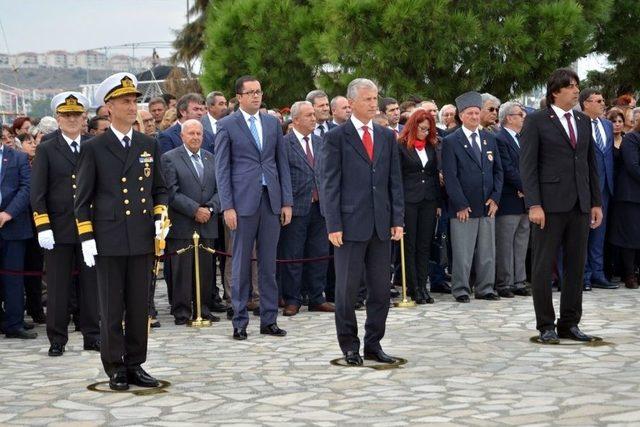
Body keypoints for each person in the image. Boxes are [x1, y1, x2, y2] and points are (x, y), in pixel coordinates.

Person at [74, 72, 168, 390]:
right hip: (110, 239)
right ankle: (115, 366)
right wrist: (86, 237)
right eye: (125, 101)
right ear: (109, 107)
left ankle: (136, 363)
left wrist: (159, 218)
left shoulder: (148, 144)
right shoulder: (94, 148)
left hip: (141, 237)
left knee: (139, 305)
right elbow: (82, 199)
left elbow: (160, 189)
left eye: (134, 100)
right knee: (112, 306)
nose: (132, 106)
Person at [320, 78, 404, 366]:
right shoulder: (335, 137)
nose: (374, 104)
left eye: (375, 98)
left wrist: (397, 219)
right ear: (351, 102)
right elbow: (329, 184)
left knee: (381, 290)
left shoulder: (385, 136)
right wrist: (333, 224)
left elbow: (394, 181)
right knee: (346, 290)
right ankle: (349, 346)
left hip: (381, 225)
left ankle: (373, 344)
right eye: (368, 99)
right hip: (349, 225)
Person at [520, 68, 603, 344]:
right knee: (543, 267)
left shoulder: (582, 120)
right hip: (549, 206)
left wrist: (595, 202)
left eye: (577, 85)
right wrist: (534, 204)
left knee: (576, 266)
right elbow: (528, 166)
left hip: (580, 203)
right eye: (570, 86)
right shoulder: (536, 121)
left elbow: (590, 164)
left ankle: (569, 323)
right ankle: (545, 325)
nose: (576, 90)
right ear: (555, 91)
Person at [215, 75, 293, 341]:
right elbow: (222, 169)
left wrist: (286, 201)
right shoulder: (227, 125)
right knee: (240, 263)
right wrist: (227, 206)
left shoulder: (272, 123)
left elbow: (282, 164)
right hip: (242, 202)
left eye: (259, 91)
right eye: (250, 92)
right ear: (239, 97)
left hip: (270, 199)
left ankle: (269, 319)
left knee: (269, 263)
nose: (256, 96)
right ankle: (239, 321)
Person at [31, 92, 100, 357]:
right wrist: (42, 225)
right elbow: (37, 192)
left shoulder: (94, 145)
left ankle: (92, 334)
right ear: (58, 119)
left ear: (84, 117)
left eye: (76, 114)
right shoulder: (47, 148)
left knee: (91, 285)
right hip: (58, 229)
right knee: (58, 288)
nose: (72, 119)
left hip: (89, 228)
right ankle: (57, 338)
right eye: (66, 115)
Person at [441, 91, 503, 303]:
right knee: (463, 252)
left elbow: (498, 171)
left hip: (487, 204)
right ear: (461, 115)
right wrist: (459, 203)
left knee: (487, 251)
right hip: (463, 206)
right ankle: (461, 289)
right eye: (470, 113)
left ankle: (486, 288)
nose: (475, 117)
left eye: (477, 113)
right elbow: (450, 176)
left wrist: (495, 198)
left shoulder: (490, 138)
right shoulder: (451, 141)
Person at [162, 119, 220, 324]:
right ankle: (182, 311)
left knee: (206, 271)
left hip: (208, 222)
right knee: (182, 271)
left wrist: (211, 208)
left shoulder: (211, 157)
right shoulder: (170, 158)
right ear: (182, 136)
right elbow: (171, 192)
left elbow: (220, 189)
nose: (195, 137)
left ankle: (203, 309)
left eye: (199, 134)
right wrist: (194, 209)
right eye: (191, 134)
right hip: (183, 223)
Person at [278, 101, 333, 316]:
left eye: (314, 114)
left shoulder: (321, 142)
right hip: (297, 207)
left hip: (320, 207)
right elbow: (282, 176)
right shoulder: (284, 143)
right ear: (296, 119)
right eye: (308, 115)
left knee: (319, 253)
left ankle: (317, 297)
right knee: (293, 254)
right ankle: (293, 298)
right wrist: (286, 203)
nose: (314, 118)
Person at [397, 108, 440, 304]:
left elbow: (433, 174)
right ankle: (413, 288)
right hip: (409, 200)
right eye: (422, 129)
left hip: (428, 200)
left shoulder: (431, 146)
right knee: (410, 245)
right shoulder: (401, 146)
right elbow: (397, 176)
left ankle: (423, 286)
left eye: (428, 129)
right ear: (414, 127)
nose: (425, 132)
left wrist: (438, 202)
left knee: (424, 245)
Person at [579, 89, 617, 290]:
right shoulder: (578, 124)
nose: (603, 104)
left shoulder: (607, 125)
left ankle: (598, 273)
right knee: (583, 234)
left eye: (603, 100)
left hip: (606, 187)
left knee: (599, 234)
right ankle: (583, 276)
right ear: (586, 103)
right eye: (599, 100)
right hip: (585, 187)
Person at [494, 101, 531, 298]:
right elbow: (507, 169)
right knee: (505, 243)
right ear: (509, 117)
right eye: (520, 114)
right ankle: (504, 283)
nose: (524, 118)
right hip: (509, 199)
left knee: (521, 242)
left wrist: (529, 190)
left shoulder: (522, 138)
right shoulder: (500, 138)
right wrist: (526, 187)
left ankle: (519, 281)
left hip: (525, 200)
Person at [0, 142, 35, 339]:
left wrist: (9, 213)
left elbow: (26, 188)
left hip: (13, 226)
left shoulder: (18, 157)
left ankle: (14, 323)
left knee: (14, 277)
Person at [608, 123, 640, 289]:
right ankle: (629, 274)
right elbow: (632, 165)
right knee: (630, 237)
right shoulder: (632, 139)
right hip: (630, 195)